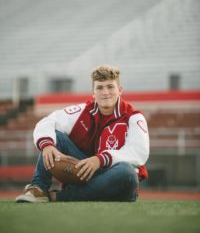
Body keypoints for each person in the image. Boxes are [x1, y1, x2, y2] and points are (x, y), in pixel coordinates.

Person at [16, 64, 149, 202]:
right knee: (55, 137)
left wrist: (100, 159)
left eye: (110, 86)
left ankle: (59, 197)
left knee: (127, 172)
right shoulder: (82, 111)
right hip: (85, 172)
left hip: (117, 180)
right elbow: (47, 122)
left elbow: (139, 153)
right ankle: (38, 189)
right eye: (100, 87)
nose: (105, 92)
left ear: (120, 90)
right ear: (93, 92)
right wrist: (47, 145)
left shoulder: (134, 117)